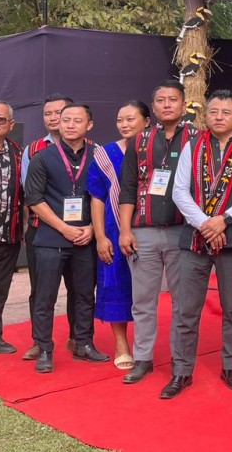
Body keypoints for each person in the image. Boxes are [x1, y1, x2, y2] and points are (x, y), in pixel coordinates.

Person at [167, 90, 232, 399]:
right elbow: (179, 191)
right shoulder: (192, 145)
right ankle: (181, 371)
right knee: (186, 310)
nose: (218, 116)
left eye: (225, 112)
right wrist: (206, 224)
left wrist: (224, 220)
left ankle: (231, 366)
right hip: (194, 239)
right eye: (213, 111)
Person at [118, 79, 198, 384]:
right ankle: (143, 358)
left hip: (183, 230)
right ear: (153, 107)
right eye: (161, 100)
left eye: (173, 99)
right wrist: (125, 230)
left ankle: (181, 361)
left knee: (183, 301)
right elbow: (127, 188)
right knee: (143, 300)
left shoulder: (197, 138)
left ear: (183, 104)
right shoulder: (138, 141)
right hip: (144, 230)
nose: (167, 104)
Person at [25, 104, 109, 372]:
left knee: (85, 294)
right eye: (66, 120)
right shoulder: (43, 157)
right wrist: (64, 228)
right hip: (51, 238)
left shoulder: (99, 155)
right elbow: (34, 199)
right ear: (58, 124)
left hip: (86, 238)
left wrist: (94, 230)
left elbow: (109, 195)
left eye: (77, 120)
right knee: (45, 297)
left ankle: (83, 343)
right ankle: (45, 349)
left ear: (90, 125)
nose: (71, 125)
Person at [87, 101, 150, 370]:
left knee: (147, 290)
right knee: (115, 283)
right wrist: (101, 236)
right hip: (114, 230)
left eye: (130, 119)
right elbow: (97, 198)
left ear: (147, 122)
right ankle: (121, 343)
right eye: (120, 120)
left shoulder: (155, 150)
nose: (124, 124)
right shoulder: (105, 154)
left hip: (149, 227)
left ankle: (146, 345)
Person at [20, 93, 77, 361]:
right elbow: (28, 192)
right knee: (40, 289)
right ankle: (39, 341)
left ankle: (78, 338)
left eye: (60, 113)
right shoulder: (32, 150)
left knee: (79, 288)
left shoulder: (89, 148)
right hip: (41, 229)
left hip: (79, 232)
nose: (54, 118)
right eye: (48, 114)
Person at [0, 101, 24, 355]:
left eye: (0, 119)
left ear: (11, 125)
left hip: (7, 235)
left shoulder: (20, 154)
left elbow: (27, 196)